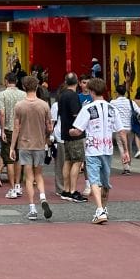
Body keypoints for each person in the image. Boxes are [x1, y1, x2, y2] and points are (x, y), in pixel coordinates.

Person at [70, 77, 128, 224]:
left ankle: (100, 209)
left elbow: (78, 130)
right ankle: (103, 208)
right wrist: (125, 151)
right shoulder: (112, 108)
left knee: (94, 180)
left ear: (92, 91)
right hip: (107, 149)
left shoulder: (88, 108)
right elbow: (121, 131)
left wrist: (70, 132)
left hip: (92, 149)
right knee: (105, 182)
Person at [10, 74, 55, 221]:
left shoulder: (19, 105)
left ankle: (32, 208)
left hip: (24, 144)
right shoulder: (44, 105)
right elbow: (49, 127)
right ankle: (42, 197)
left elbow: (16, 127)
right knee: (39, 175)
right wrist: (48, 134)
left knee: (28, 178)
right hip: (39, 144)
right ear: (36, 87)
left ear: (24, 87)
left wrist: (12, 147)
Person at [57, 74, 89, 203]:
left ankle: (65, 189)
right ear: (77, 82)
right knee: (77, 161)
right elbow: (76, 114)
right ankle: (72, 191)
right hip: (75, 132)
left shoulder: (62, 95)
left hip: (65, 131)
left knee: (68, 160)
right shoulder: (73, 96)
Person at [0, 73, 25, 200]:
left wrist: (2, 130)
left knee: (9, 159)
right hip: (22, 129)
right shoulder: (23, 94)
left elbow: (2, 113)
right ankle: (18, 185)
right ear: (17, 81)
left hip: (8, 129)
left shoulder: (2, 94)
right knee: (18, 158)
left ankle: (12, 187)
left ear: (6, 81)